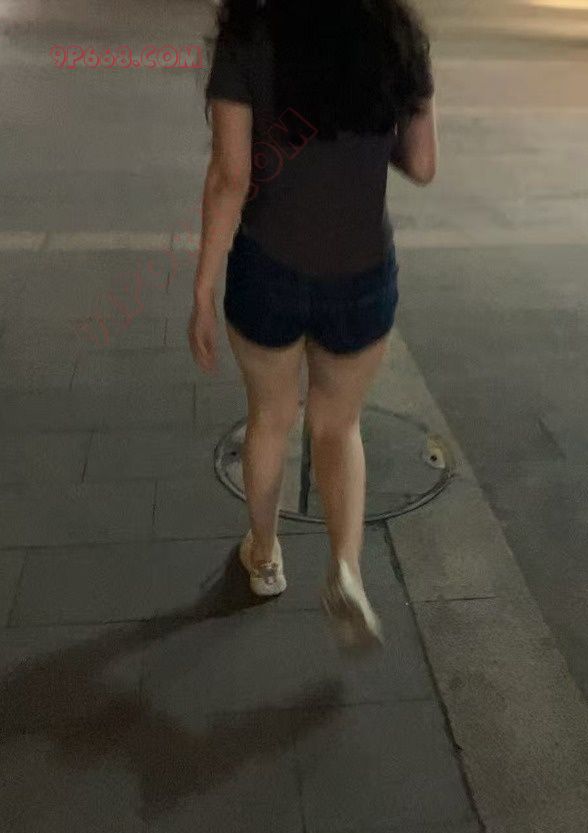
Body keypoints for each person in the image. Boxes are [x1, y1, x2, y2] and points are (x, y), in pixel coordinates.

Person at [189, 0, 437, 649]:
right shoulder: (395, 33)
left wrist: (203, 284)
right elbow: (422, 164)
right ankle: (346, 567)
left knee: (270, 417)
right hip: (362, 272)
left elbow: (230, 177)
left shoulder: (248, 32)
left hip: (267, 266)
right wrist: (369, 123)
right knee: (338, 424)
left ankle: (265, 555)